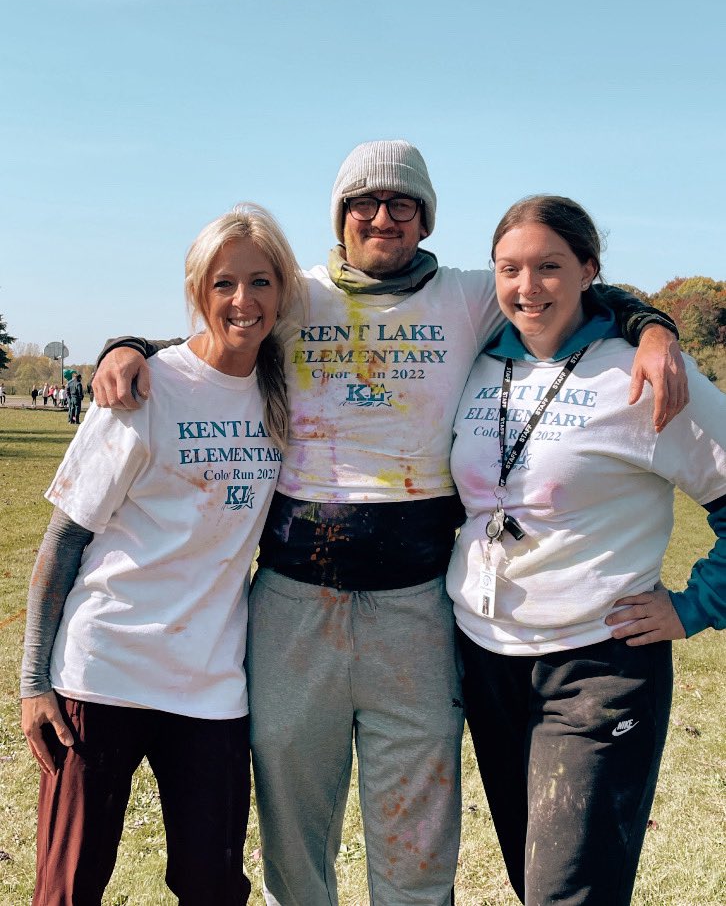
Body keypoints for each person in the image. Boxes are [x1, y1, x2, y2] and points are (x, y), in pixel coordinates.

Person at [92, 142, 687, 906]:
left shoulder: (469, 295)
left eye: (401, 203)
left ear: (425, 216)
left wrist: (655, 327)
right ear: (339, 216)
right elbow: (216, 330)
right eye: (362, 203)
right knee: (293, 820)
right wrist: (128, 345)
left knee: (417, 825)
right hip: (293, 601)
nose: (382, 217)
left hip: (414, 603)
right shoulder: (294, 292)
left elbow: (578, 292)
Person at [20, 203, 305, 906]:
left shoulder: (287, 389)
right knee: (69, 886)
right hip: (103, 671)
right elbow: (64, 540)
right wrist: (33, 679)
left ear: (283, 292)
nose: (244, 301)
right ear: (198, 291)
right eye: (224, 284)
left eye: (261, 282)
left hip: (210, 685)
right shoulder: (144, 387)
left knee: (212, 883)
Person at [446, 195, 725, 906]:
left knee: (568, 891)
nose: (527, 285)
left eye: (549, 266)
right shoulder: (479, 364)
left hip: (597, 665)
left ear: (589, 271)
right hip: (488, 659)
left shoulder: (645, 372)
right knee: (530, 872)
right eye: (510, 268)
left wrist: (696, 606)